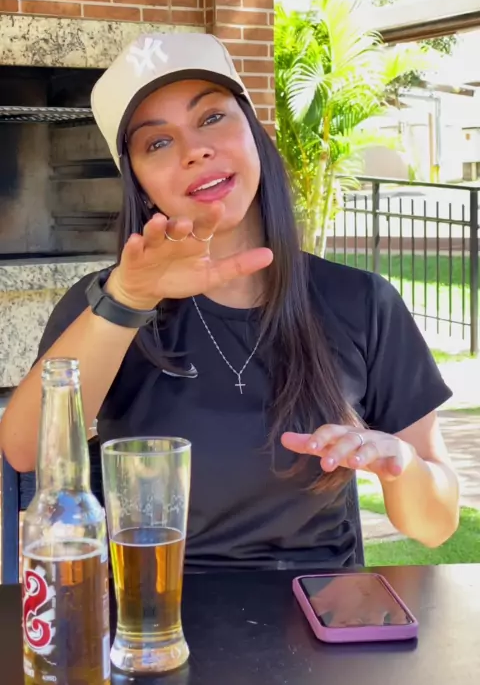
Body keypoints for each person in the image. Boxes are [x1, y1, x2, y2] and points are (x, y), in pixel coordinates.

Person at [0, 33, 459, 571]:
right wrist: (128, 300)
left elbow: (435, 525)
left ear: (254, 134)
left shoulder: (362, 301)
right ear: (140, 185)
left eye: (213, 117)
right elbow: (25, 451)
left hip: (316, 609)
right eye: (158, 143)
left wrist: (398, 461)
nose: (195, 149)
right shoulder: (106, 302)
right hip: (156, 607)